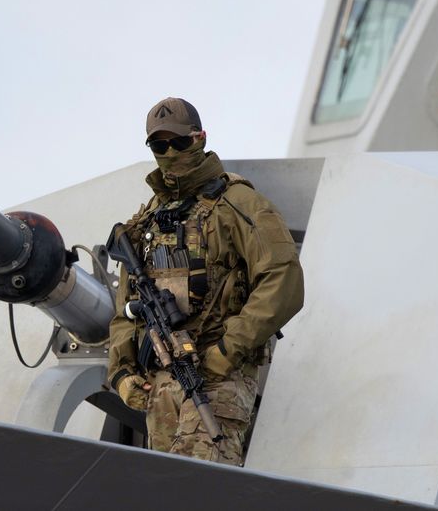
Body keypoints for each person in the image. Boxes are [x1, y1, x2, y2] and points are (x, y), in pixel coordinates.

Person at [107, 97, 304, 465]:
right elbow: (126, 310)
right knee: (165, 494)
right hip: (161, 389)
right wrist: (121, 372)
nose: (169, 152)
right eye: (158, 145)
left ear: (200, 138)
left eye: (178, 142)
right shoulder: (146, 221)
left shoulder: (238, 203)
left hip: (217, 380)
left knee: (199, 492)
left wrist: (227, 350)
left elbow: (283, 278)